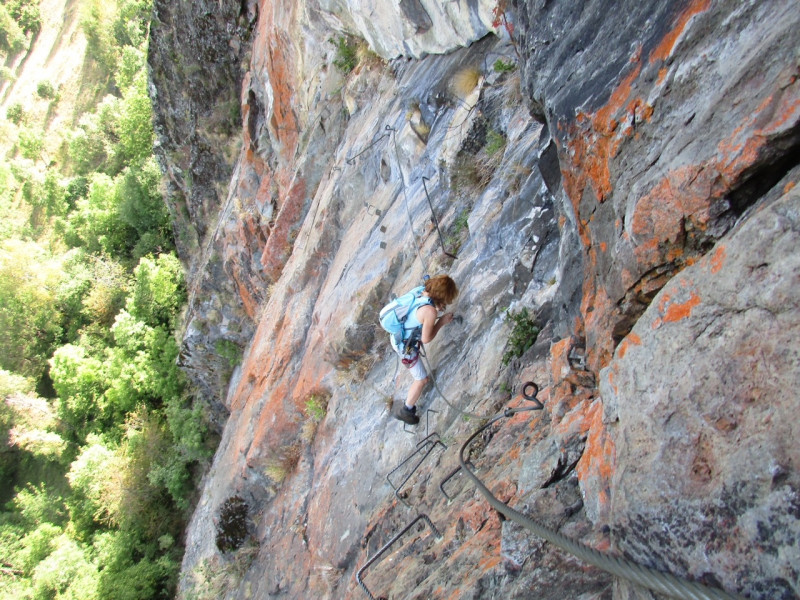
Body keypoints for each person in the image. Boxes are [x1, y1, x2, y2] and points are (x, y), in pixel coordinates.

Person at [390, 274, 458, 425]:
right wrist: (440, 322)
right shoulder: (430, 312)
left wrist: (437, 307)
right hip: (404, 346)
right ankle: (406, 410)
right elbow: (426, 338)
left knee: (421, 378)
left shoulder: (421, 291)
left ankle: (407, 408)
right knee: (422, 379)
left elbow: (417, 313)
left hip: (398, 334)